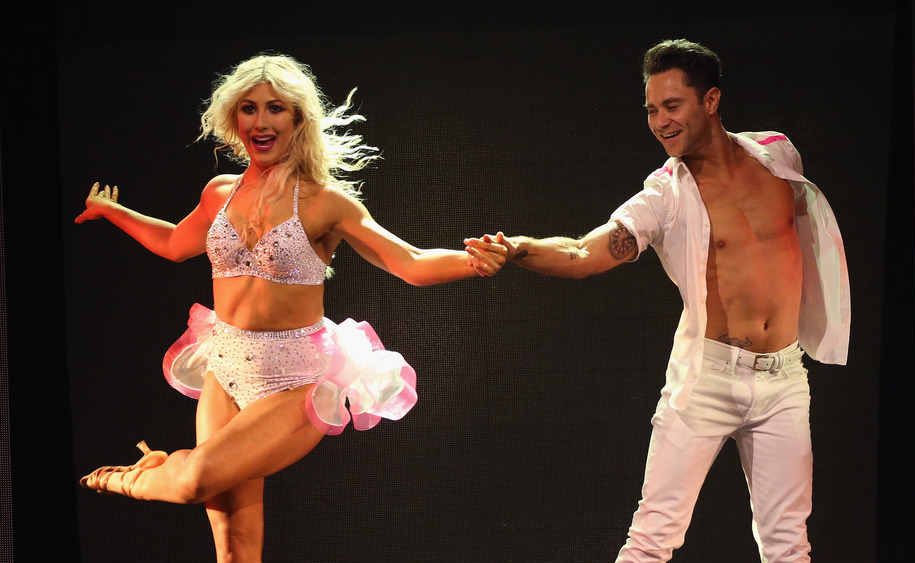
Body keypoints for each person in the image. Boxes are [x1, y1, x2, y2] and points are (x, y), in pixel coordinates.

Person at [77, 53, 507, 562]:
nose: (261, 121)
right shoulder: (221, 192)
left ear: (298, 119)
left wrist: (472, 261)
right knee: (235, 550)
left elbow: (408, 262)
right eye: (249, 109)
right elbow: (174, 243)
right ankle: (156, 477)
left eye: (276, 109)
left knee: (191, 479)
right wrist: (112, 211)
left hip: (292, 378)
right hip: (226, 364)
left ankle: (129, 478)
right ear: (234, 119)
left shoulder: (326, 203)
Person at [465, 39, 849, 562]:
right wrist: (517, 251)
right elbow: (584, 252)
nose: (660, 121)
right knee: (652, 538)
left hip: (784, 379)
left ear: (710, 101)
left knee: (788, 544)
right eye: (651, 110)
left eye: (673, 106)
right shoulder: (664, 194)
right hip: (707, 380)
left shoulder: (776, 155)